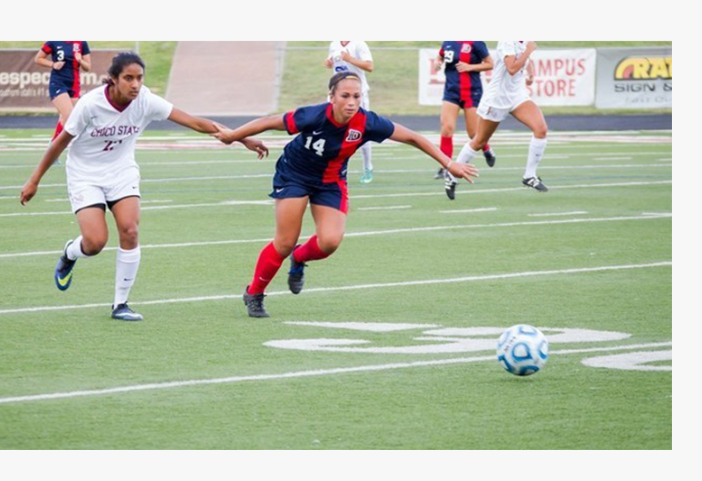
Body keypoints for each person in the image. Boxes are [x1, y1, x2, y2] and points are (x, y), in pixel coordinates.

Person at [20, 52, 268, 321]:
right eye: (128, 78)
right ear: (113, 80)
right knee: (95, 243)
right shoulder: (90, 105)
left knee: (130, 229)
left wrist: (242, 138)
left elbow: (197, 122)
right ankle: (71, 253)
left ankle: (120, 304)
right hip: (85, 174)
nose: (135, 84)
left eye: (139, 78)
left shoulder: (146, 100)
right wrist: (34, 180)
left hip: (121, 172)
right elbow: (60, 142)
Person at [215, 72, 478, 318]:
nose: (352, 102)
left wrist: (449, 163)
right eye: (345, 96)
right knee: (284, 242)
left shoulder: (368, 122)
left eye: (357, 96)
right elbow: (269, 121)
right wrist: (234, 136)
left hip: (330, 182)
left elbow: (413, 137)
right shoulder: (312, 116)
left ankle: (300, 258)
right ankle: (254, 293)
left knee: (329, 242)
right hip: (294, 175)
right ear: (331, 97)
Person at [445, 41, 546, 200]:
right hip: (497, 98)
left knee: (541, 129)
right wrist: (528, 51)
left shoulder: (525, 40)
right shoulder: (507, 40)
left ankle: (529, 176)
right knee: (479, 140)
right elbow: (512, 68)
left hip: (517, 96)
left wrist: (530, 74)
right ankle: (452, 177)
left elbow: (527, 59)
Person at [432, 41, 496, 181]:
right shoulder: (448, 42)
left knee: (473, 133)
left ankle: (487, 149)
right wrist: (437, 62)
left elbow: (490, 64)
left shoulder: (476, 43)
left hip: (471, 92)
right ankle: (445, 166)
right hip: (451, 92)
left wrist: (470, 67)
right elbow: (440, 56)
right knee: (446, 128)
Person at [325, 41, 375, 184]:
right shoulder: (334, 43)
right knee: (330, 128)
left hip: (357, 94)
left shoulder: (359, 44)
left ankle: (367, 166)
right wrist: (328, 62)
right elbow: (333, 62)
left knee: (361, 129)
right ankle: (333, 167)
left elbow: (369, 66)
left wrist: (349, 59)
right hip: (338, 93)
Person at [35, 41, 92, 142]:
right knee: (69, 116)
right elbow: (38, 58)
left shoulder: (81, 43)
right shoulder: (53, 42)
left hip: (74, 85)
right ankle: (54, 147)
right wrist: (53, 64)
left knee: (67, 118)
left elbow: (87, 67)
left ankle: (53, 149)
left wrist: (80, 61)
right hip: (58, 83)